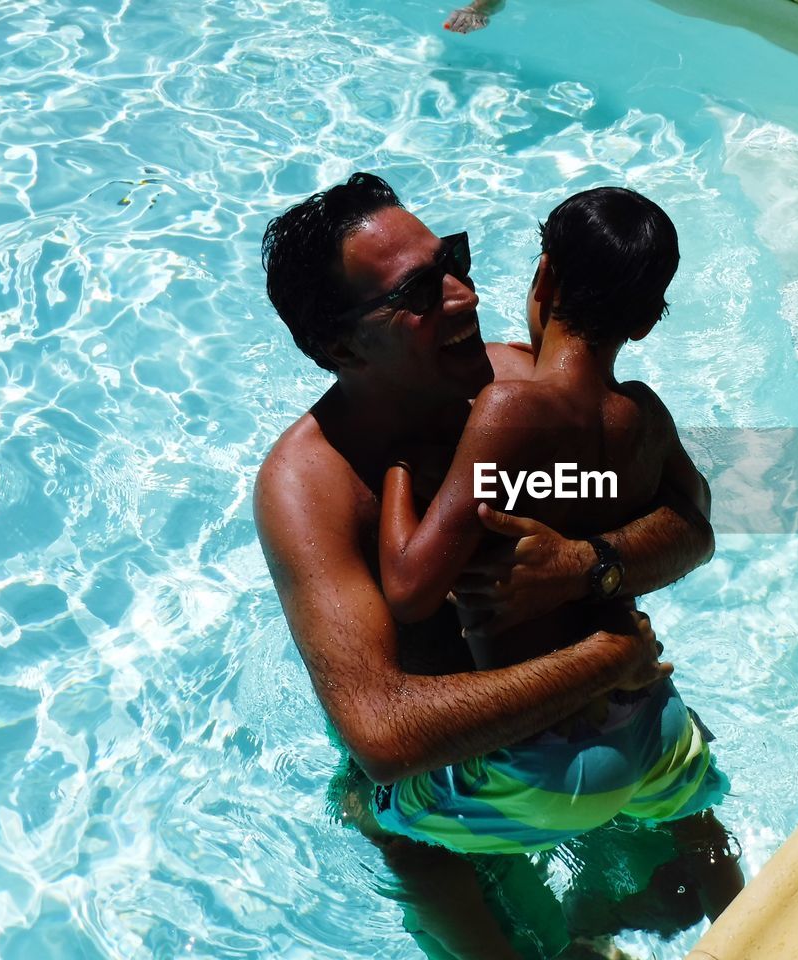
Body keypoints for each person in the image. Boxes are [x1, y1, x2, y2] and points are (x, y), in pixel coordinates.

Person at [255, 174, 737, 958]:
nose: (465, 296)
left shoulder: (516, 387)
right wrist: (603, 660)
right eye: (419, 292)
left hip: (560, 734)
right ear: (341, 348)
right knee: (375, 797)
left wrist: (590, 563)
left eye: (454, 259)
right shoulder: (313, 487)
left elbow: (692, 524)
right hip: (544, 710)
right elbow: (380, 730)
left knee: (376, 811)